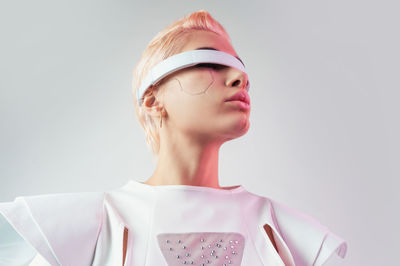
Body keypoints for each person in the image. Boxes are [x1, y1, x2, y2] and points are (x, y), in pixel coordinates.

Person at [0, 10, 347, 266]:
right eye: (210, 63)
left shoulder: (292, 238)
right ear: (152, 99)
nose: (238, 79)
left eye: (241, 71)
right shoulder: (82, 231)